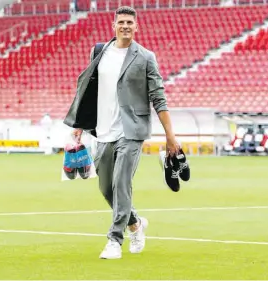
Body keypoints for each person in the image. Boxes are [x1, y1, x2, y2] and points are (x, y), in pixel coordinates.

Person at [63, 6, 180, 259]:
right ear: (113, 25)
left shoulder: (146, 57)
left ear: (136, 27)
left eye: (130, 22)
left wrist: (170, 135)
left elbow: (158, 98)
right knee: (107, 189)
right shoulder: (99, 52)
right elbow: (88, 90)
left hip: (132, 131)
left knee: (121, 183)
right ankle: (135, 223)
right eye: (121, 22)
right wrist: (79, 123)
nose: (125, 26)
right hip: (103, 131)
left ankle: (114, 240)